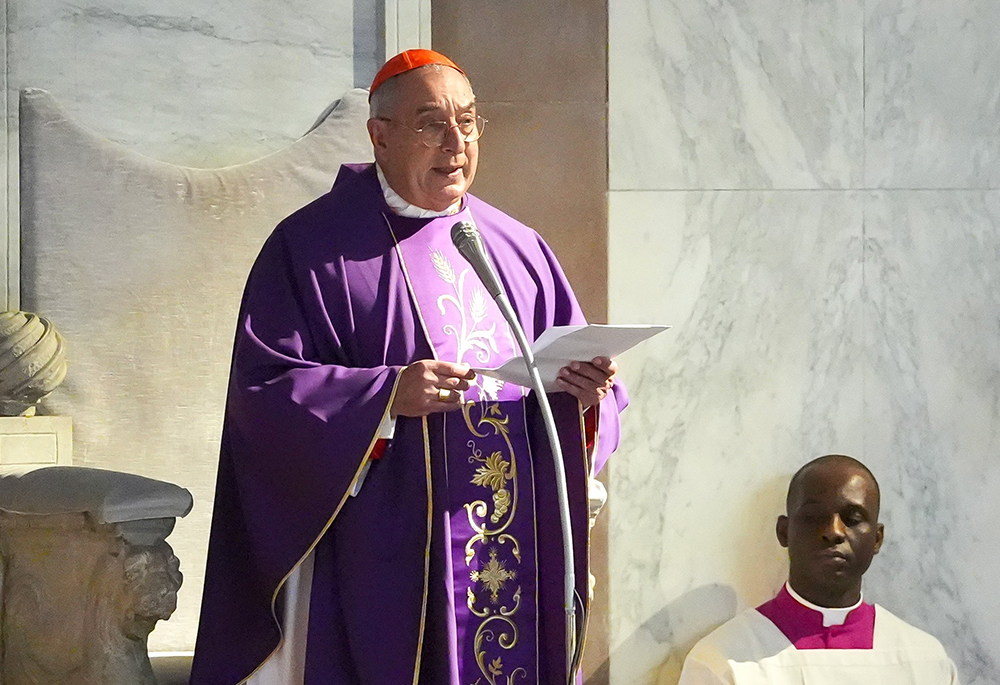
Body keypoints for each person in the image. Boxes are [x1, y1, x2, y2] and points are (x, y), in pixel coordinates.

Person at [190, 49, 628, 685]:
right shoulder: (312, 247)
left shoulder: (519, 248)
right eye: (430, 123)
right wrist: (385, 396)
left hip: (504, 554)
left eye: (469, 122)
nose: (455, 143)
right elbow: (265, 394)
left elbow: (583, 383)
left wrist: (589, 397)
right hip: (384, 559)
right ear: (380, 135)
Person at [678, 454, 960, 684]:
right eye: (813, 517)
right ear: (784, 532)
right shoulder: (721, 661)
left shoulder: (926, 662)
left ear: (877, 538)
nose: (834, 532)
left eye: (852, 518)